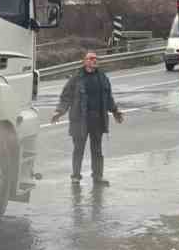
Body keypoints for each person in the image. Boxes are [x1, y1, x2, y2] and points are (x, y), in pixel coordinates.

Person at [51, 51, 124, 184]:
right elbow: (65, 97)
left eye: (96, 59)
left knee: (97, 150)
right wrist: (59, 111)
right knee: (78, 149)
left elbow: (108, 97)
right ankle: (75, 176)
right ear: (84, 61)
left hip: (97, 119)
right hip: (80, 119)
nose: (94, 61)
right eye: (91, 59)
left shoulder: (102, 77)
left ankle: (98, 176)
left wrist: (115, 111)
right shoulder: (76, 78)